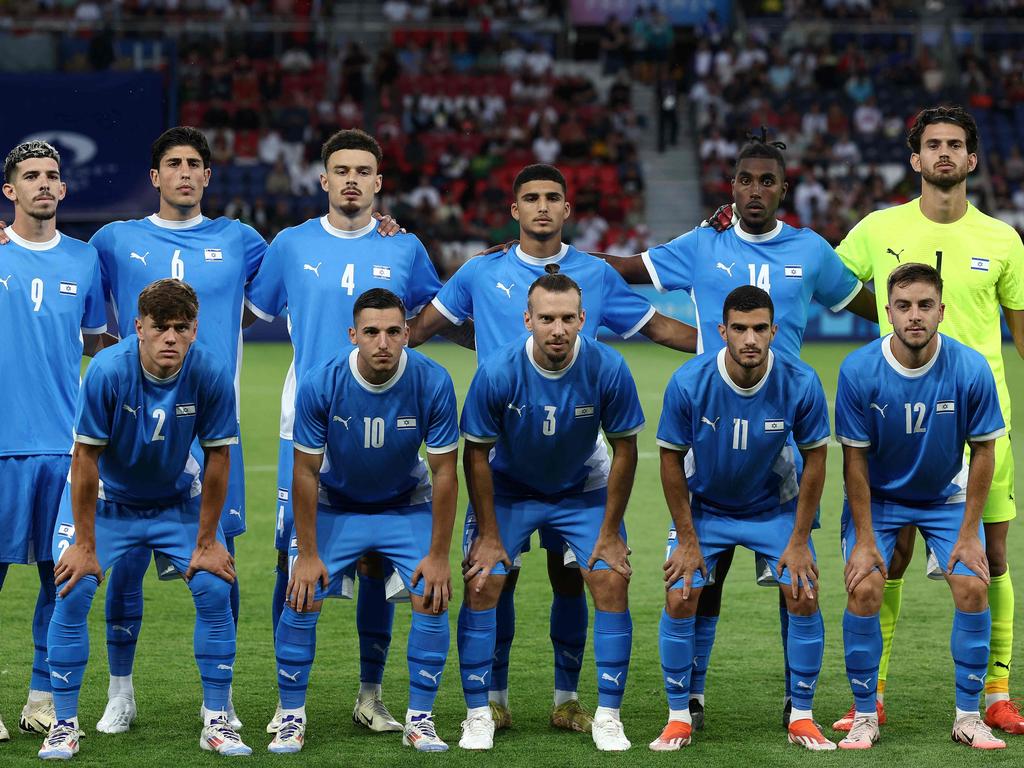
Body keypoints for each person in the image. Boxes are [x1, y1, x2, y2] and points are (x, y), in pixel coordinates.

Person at [599, 133, 877, 727]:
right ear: (732, 187)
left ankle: (794, 699)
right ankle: (692, 695)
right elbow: (623, 270)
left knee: (794, 576)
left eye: (768, 180)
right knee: (707, 571)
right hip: (712, 422)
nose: (756, 190)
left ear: (784, 188)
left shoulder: (811, 250)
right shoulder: (703, 243)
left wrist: (937, 306)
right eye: (746, 180)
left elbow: (864, 304)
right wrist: (540, 254)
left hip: (783, 426)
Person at [409, 163, 696, 734]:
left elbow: (661, 329)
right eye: (531, 198)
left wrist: (745, 345)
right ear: (514, 210)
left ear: (568, 209)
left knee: (574, 576)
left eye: (553, 198)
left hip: (575, 462)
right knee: (496, 577)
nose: (542, 207)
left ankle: (567, 700)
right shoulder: (479, 272)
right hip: (504, 459)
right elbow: (418, 328)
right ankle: (492, 699)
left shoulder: (594, 273)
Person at [245, 128, 456, 733]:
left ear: (378, 182)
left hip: (387, 420)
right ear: (324, 179)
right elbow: (251, 310)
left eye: (364, 171)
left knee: (379, 564)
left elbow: (431, 316)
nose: (352, 181)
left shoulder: (405, 247)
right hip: (305, 425)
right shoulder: (288, 245)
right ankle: (288, 702)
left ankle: (371, 694)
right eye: (342, 170)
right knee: (294, 564)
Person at [830, 106, 1024, 734]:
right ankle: (874, 691)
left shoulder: (1003, 240)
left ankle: (995, 691)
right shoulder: (878, 227)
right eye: (932, 145)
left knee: (990, 557)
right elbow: (831, 282)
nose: (944, 154)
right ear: (915, 159)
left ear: (972, 159)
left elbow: (1021, 337)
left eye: (956, 146)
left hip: (980, 425)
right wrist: (885, 319)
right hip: (899, 420)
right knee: (893, 556)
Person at [40, 278, 249, 759]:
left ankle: (216, 720)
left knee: (216, 586)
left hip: (175, 499)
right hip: (109, 500)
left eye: (181, 327)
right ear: (139, 328)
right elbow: (85, 460)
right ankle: (65, 725)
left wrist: (207, 542)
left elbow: (218, 460)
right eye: (160, 328)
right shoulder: (108, 371)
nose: (171, 338)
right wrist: (86, 545)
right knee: (72, 587)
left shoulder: (211, 373)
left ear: (195, 329)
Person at [457, 269, 644, 752]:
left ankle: (600, 712)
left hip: (581, 487)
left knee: (609, 575)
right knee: (484, 578)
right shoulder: (498, 371)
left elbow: (626, 449)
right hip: (510, 488)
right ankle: (483, 709)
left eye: (566, 319)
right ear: (528, 320)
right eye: (546, 319)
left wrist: (608, 533)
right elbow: (475, 454)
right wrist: (491, 536)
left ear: (583, 319)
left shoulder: (608, 367)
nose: (557, 329)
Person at [268, 288, 459, 754]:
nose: (383, 342)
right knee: (300, 591)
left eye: (394, 331)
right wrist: (308, 555)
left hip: (404, 503)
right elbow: (306, 472)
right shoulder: (322, 381)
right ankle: (291, 716)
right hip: (338, 502)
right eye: (371, 332)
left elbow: (445, 472)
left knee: (430, 595)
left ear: (408, 334)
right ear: (353, 335)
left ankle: (421, 720)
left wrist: (438, 556)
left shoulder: (433, 381)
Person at [652, 285, 835, 752]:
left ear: (774, 331)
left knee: (803, 591)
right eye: (739, 329)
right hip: (705, 508)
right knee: (681, 593)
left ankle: (802, 713)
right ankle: (679, 714)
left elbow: (816, 462)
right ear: (722, 332)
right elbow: (670, 461)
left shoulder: (800, 380)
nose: (749, 339)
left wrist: (797, 541)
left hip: (771, 508)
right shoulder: (690, 382)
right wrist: (688, 541)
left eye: (759, 329)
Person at [835, 263, 1007, 750]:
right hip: (881, 498)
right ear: (887, 311)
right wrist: (865, 540)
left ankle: (969, 717)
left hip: (943, 497)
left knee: (974, 583)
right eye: (904, 306)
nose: (915, 316)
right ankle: (865, 714)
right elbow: (854, 461)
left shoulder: (970, 367)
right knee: (865, 586)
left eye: (925, 306)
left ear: (941, 311)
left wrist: (971, 533)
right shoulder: (858, 369)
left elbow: (984, 452)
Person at [0, 141, 107, 743]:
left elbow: (94, 341)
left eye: (53, 176)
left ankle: (41, 698)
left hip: (66, 450)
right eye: (31, 176)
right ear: (10, 190)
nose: (44, 184)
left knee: (60, 580)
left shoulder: (85, 260)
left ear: (64, 190)